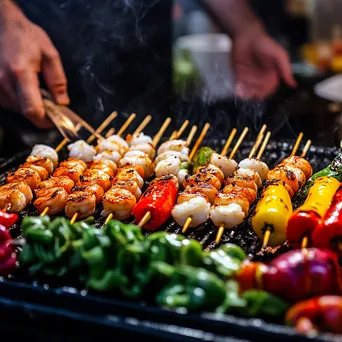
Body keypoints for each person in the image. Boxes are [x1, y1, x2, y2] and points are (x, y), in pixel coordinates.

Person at [0, 0, 296, 131]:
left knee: (152, 134)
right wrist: (5, 21)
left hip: (145, 63)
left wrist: (246, 28)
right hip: (29, 51)